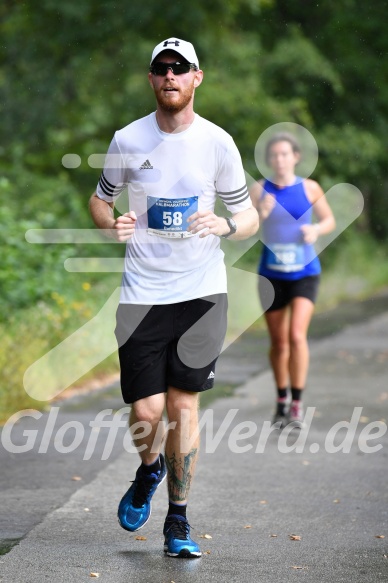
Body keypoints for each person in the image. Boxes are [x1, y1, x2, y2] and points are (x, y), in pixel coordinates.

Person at [89, 37, 259, 558]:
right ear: (151, 79)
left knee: (183, 407)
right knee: (146, 409)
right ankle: (149, 469)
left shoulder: (218, 143)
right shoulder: (127, 139)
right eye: (161, 69)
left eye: (179, 69)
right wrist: (110, 225)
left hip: (201, 293)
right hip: (142, 292)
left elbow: (248, 215)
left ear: (196, 78)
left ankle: (178, 521)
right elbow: (99, 201)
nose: (170, 77)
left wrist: (227, 225)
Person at [250, 132, 335, 429]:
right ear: (269, 160)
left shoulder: (310, 188)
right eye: (274, 155)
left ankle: (297, 404)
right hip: (271, 275)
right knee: (279, 341)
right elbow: (247, 229)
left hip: (304, 273)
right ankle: (281, 399)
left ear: (296, 157)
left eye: (285, 154)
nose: (279, 160)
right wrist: (261, 212)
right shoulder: (259, 190)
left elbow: (329, 220)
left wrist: (316, 231)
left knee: (297, 336)